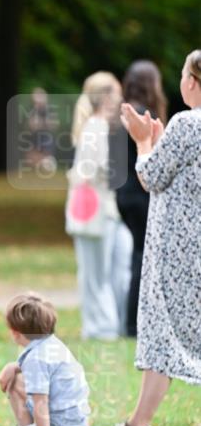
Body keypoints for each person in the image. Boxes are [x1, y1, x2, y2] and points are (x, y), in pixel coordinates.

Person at [102, 50, 201, 426]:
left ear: (191, 81)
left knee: (163, 329)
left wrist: (143, 143)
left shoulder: (187, 123)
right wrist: (158, 142)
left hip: (178, 248)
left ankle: (138, 425)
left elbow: (149, 176)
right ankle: (138, 424)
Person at [65, 71, 132, 339]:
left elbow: (91, 171)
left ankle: (102, 326)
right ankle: (104, 325)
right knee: (101, 273)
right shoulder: (98, 126)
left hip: (98, 209)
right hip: (100, 208)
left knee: (96, 273)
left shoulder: (95, 126)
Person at [0, 292, 90, 426]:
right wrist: (13, 367)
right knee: (16, 380)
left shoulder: (36, 359)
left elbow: (41, 404)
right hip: (72, 420)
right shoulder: (51, 343)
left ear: (15, 332)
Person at [110, 61, 167, 337]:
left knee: (138, 255)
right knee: (144, 258)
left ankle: (132, 321)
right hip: (142, 193)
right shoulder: (144, 115)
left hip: (124, 195)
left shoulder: (122, 113)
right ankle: (134, 323)